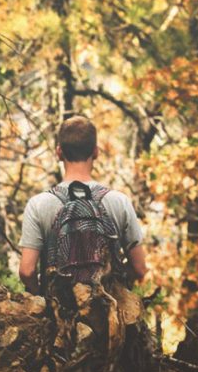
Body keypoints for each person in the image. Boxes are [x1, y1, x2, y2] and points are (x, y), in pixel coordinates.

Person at [18, 115, 147, 295]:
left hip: (59, 314)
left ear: (59, 152)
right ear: (96, 152)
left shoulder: (38, 205)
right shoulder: (120, 202)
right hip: (108, 314)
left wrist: (39, 293)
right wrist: (116, 284)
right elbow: (139, 268)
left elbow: (27, 271)